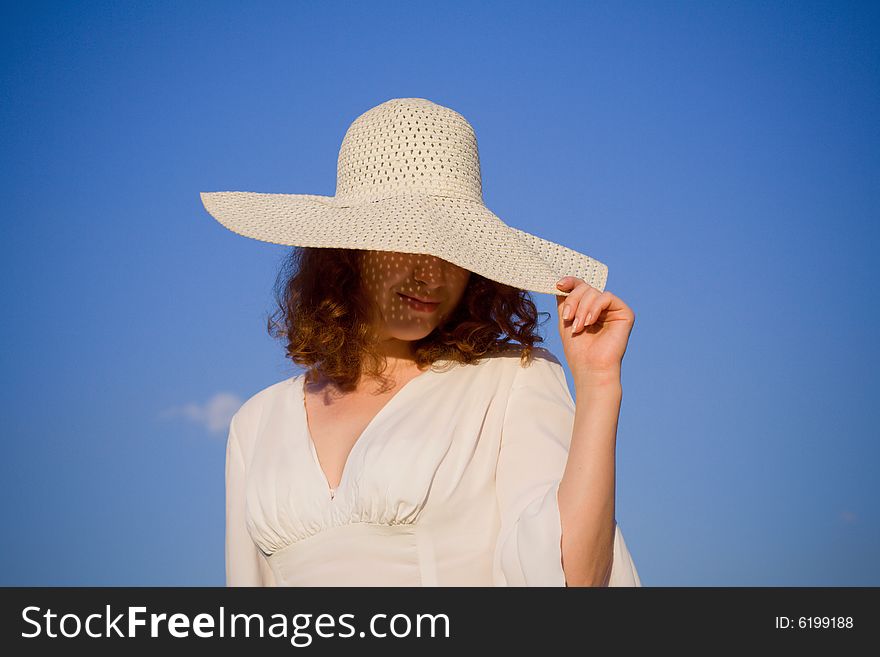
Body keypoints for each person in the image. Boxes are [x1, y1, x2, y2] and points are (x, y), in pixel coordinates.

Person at [200, 98, 642, 587]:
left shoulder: (511, 381)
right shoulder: (257, 423)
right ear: (350, 250)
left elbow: (572, 581)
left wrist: (599, 384)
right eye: (406, 241)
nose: (431, 274)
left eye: (452, 250)